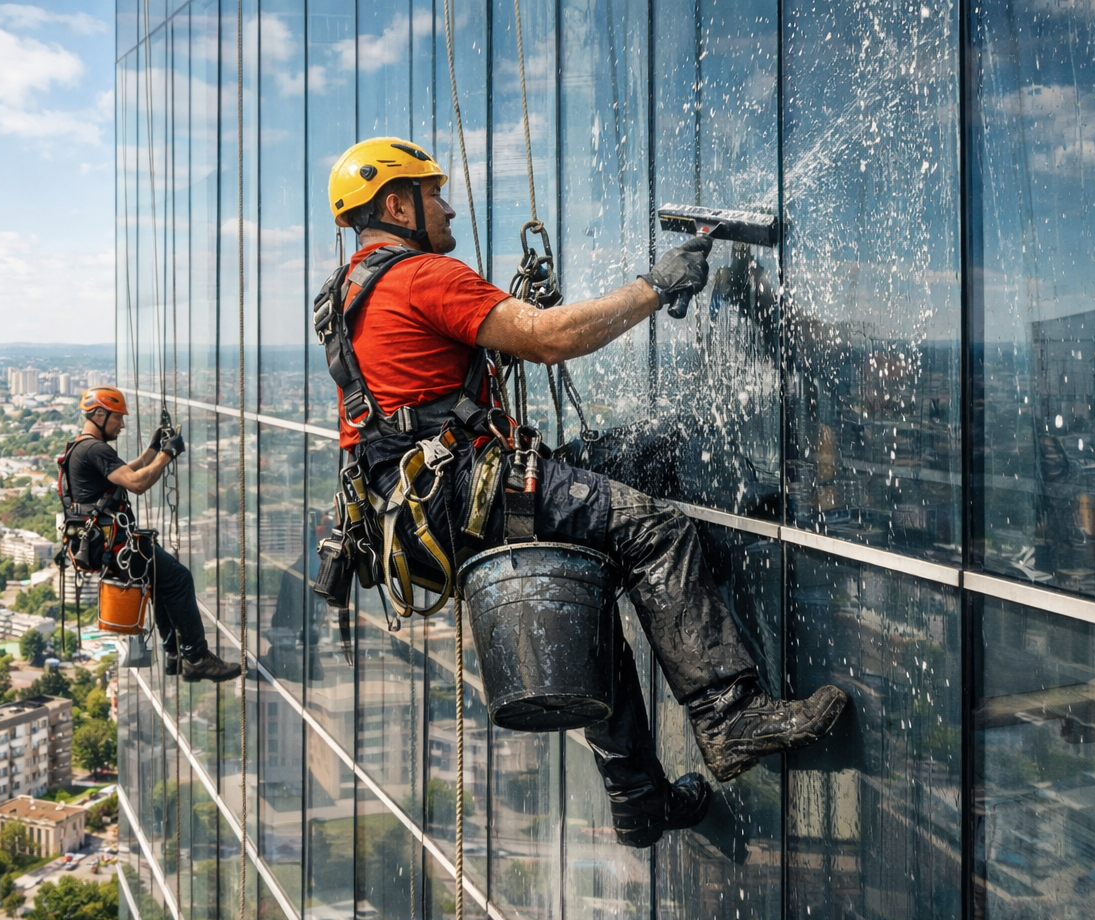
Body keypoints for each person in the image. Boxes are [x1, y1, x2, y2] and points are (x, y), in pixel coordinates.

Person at [319, 137, 848, 848]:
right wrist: (655, 287)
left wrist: (501, 321)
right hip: (467, 490)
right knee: (650, 529)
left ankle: (639, 800)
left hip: (423, 513)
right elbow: (549, 339)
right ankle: (731, 716)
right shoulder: (423, 276)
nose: (446, 204)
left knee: (644, 462)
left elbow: (425, 379)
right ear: (396, 203)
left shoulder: (350, 293)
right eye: (433, 191)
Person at [62, 386, 241, 682]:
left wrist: (153, 450)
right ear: (99, 414)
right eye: (118, 418)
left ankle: (174, 654)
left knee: (162, 584)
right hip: (117, 548)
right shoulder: (96, 449)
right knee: (179, 579)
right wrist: (167, 456)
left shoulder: (80, 448)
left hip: (105, 547)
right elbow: (136, 483)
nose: (121, 424)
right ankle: (196, 657)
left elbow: (125, 473)